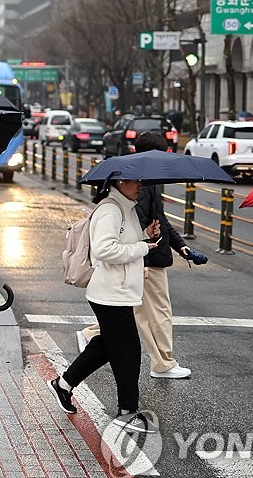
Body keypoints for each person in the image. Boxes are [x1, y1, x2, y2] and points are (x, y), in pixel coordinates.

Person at [76, 132, 207, 379]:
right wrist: (144, 257)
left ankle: (92, 337)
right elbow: (124, 236)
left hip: (147, 256)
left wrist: (180, 247)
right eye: (166, 150)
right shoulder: (136, 186)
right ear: (155, 153)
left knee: (137, 317)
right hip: (147, 259)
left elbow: (159, 220)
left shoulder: (145, 181)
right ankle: (162, 363)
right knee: (155, 314)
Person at [49, 178, 160, 432]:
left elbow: (122, 242)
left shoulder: (126, 207)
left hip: (118, 291)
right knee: (128, 352)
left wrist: (145, 235)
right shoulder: (110, 209)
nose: (141, 185)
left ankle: (63, 385)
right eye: (136, 181)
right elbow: (104, 250)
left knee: (109, 346)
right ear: (120, 182)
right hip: (110, 293)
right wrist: (143, 246)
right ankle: (127, 412)